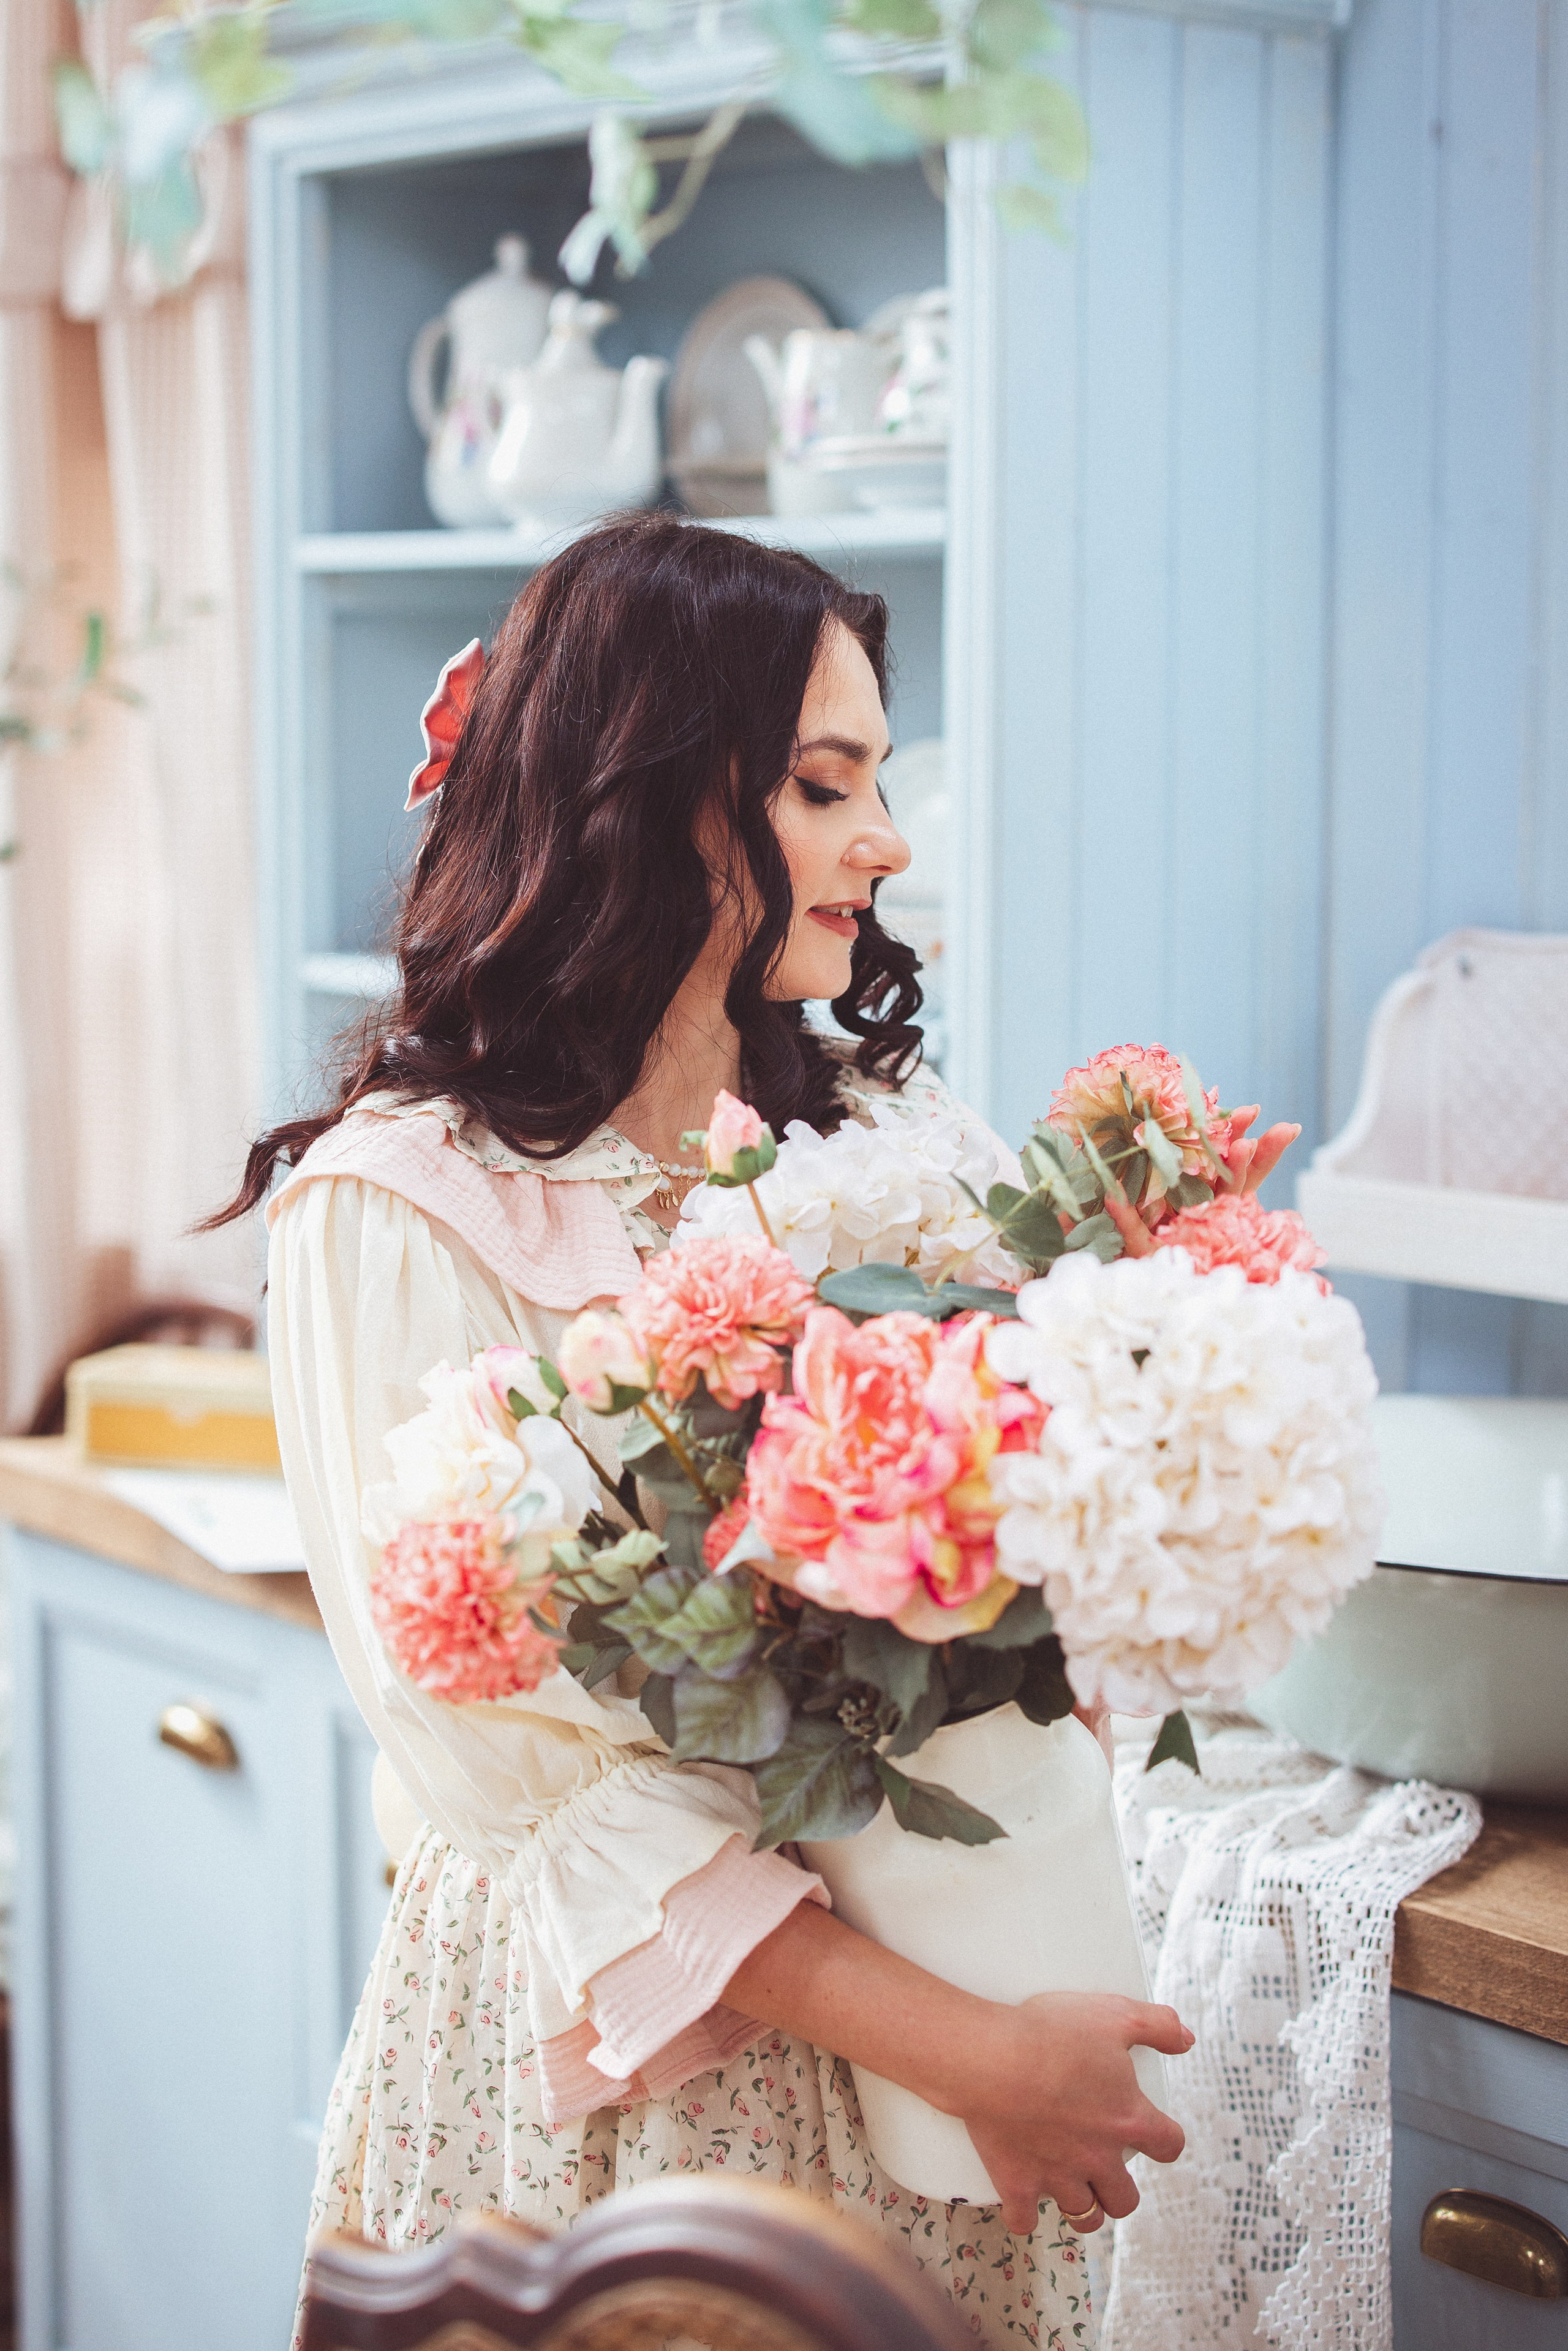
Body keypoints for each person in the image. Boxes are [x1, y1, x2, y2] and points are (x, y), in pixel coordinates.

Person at [216, 514, 1191, 2348]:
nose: (887, 843)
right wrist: (983, 2053)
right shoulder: (403, 1212)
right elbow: (555, 1801)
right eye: (828, 788)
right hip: (656, 2109)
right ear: (648, 799)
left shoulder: (889, 1133)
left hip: (946, 2059)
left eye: (877, 782)